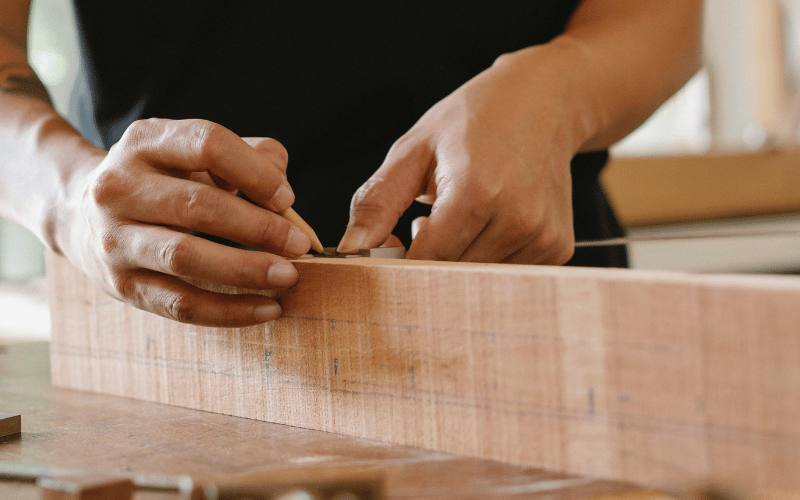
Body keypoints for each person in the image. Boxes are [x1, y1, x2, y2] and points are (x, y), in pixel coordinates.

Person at [0, 1, 701, 327]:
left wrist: (559, 91)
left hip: (535, 294)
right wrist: (71, 198)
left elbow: (673, 17)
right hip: (165, 313)